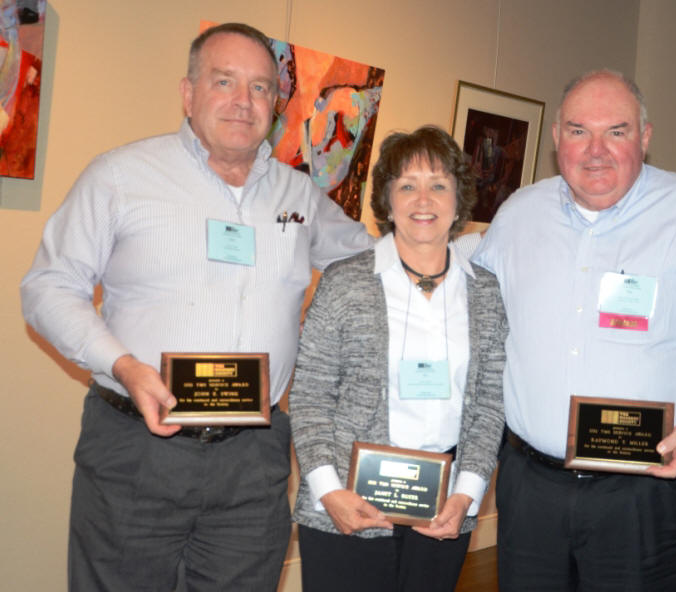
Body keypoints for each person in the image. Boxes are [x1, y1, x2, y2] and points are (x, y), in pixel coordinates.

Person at [20, 23, 375, 591]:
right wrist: (125, 366)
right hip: (136, 450)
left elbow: (368, 265)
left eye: (260, 88)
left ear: (276, 106)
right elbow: (48, 287)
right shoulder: (120, 176)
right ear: (188, 93)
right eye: (224, 81)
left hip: (253, 459)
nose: (243, 101)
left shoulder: (299, 195)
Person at [473, 69, 676, 591]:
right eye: (578, 130)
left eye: (617, 131)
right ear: (555, 138)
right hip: (531, 490)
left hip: (646, 495)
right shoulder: (518, 217)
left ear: (646, 137)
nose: (596, 150)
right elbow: (474, 328)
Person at [290, 125, 507, 592]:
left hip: (442, 505)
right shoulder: (345, 282)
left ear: (459, 199)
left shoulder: (485, 291)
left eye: (438, 185)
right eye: (407, 185)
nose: (423, 200)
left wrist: (467, 496)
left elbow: (490, 403)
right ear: (387, 202)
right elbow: (310, 396)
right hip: (348, 501)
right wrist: (329, 492)